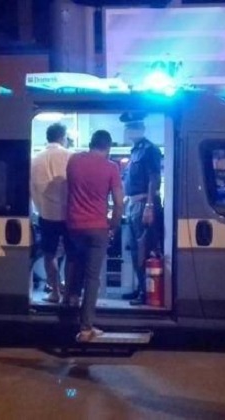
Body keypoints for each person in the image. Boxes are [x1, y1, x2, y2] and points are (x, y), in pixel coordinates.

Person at [66, 130, 124, 342]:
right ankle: (86, 328)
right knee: (92, 278)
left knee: (76, 265)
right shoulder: (111, 167)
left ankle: (71, 302)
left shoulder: (73, 161)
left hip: (74, 225)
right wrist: (113, 225)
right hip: (97, 227)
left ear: (91, 143)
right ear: (108, 147)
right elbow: (119, 202)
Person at [120, 112, 163, 306]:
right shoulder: (135, 150)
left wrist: (150, 206)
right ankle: (141, 289)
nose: (130, 130)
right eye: (128, 127)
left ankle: (146, 292)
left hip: (144, 203)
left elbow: (154, 178)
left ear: (142, 129)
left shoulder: (149, 150)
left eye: (134, 127)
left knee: (144, 249)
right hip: (133, 204)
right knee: (135, 250)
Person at [30, 122, 74, 303]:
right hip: (70, 215)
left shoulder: (35, 159)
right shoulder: (70, 156)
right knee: (71, 255)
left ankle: (54, 292)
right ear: (63, 137)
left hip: (46, 215)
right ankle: (69, 294)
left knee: (50, 255)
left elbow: (31, 189)